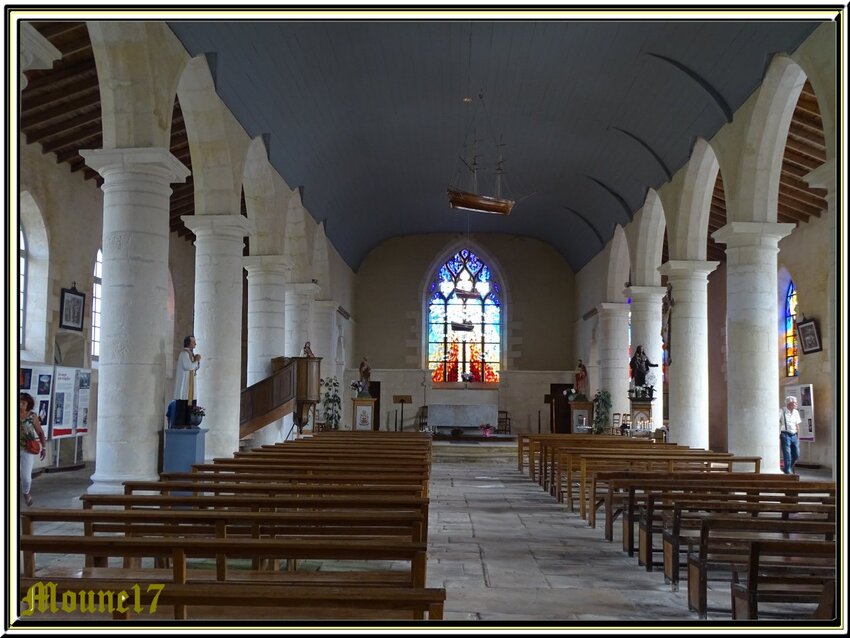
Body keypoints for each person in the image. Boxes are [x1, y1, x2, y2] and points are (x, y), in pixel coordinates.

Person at [19, 392, 47, 507]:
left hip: (27, 448)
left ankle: (26, 492)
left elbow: (40, 432)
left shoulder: (32, 416)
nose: (20, 405)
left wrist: (44, 447)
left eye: (23, 403)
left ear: (28, 404)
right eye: (19, 402)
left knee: (26, 478)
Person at [173, 335, 201, 428]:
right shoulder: (184, 354)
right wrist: (196, 360)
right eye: (193, 342)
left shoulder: (190, 354)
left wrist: (197, 362)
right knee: (182, 407)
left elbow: (195, 367)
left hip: (190, 387)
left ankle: (189, 424)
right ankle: (181, 425)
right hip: (184, 387)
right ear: (188, 343)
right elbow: (188, 367)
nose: (195, 344)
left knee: (190, 408)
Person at [779, 395, 802, 474]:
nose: (796, 404)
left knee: (796, 454)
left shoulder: (796, 412)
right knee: (787, 453)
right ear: (789, 404)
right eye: (794, 403)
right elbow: (777, 422)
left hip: (794, 434)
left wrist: (798, 437)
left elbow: (797, 425)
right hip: (785, 434)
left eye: (796, 403)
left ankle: (788, 467)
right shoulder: (782, 411)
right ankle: (788, 470)